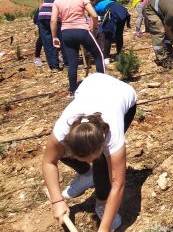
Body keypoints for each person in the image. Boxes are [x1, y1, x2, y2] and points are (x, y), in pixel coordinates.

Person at [42, 72, 137, 232]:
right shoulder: (63, 130)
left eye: (88, 158)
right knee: (59, 152)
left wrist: (104, 228)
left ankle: (102, 202)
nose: (87, 159)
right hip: (93, 83)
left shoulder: (113, 135)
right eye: (82, 159)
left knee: (101, 162)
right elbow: (48, 162)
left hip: (122, 94)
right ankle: (86, 174)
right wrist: (57, 201)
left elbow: (118, 184)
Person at [51, 0, 105, 96]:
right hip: (82, 31)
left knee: (72, 62)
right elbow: (94, 15)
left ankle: (72, 90)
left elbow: (54, 20)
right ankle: (103, 84)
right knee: (98, 55)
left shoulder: (58, 0)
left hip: (66, 33)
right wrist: (93, 27)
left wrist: (54, 36)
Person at [38, 0, 75, 72]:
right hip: (56, 15)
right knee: (63, 40)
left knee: (48, 42)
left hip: (43, 16)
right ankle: (68, 64)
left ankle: (54, 66)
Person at [33, 0, 60, 67]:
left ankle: (54, 58)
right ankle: (37, 57)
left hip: (45, 15)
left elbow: (40, 5)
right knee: (43, 38)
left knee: (50, 37)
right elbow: (41, 6)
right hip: (46, 15)